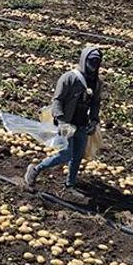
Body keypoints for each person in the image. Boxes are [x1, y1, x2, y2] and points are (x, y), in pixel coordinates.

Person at [23, 47, 103, 202]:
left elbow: (96, 103)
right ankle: (35, 169)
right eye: (91, 61)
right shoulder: (69, 78)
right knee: (66, 154)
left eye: (97, 61)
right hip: (66, 123)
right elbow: (57, 100)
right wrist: (61, 121)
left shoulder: (96, 82)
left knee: (78, 155)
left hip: (82, 124)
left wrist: (94, 120)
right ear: (84, 60)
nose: (94, 64)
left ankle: (70, 184)